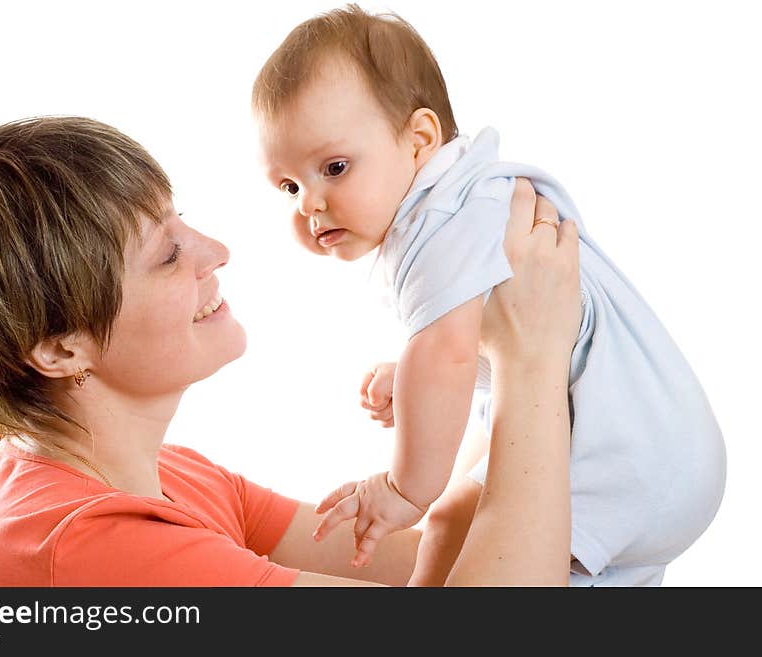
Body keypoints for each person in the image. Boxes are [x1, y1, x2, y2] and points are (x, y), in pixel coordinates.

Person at [0, 116, 577, 587]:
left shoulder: (163, 476)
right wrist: (534, 364)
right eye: (167, 255)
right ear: (57, 349)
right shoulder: (93, 547)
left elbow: (424, 565)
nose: (214, 253)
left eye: (181, 223)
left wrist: (463, 379)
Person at [252, 4, 726, 586]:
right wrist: (414, 373)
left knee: (518, 562)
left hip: (631, 454)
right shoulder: (461, 201)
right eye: (290, 185)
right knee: (452, 523)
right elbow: (481, 340)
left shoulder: (442, 221)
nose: (308, 203)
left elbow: (448, 352)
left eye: (335, 166)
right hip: (654, 440)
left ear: (420, 138)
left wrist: (402, 489)